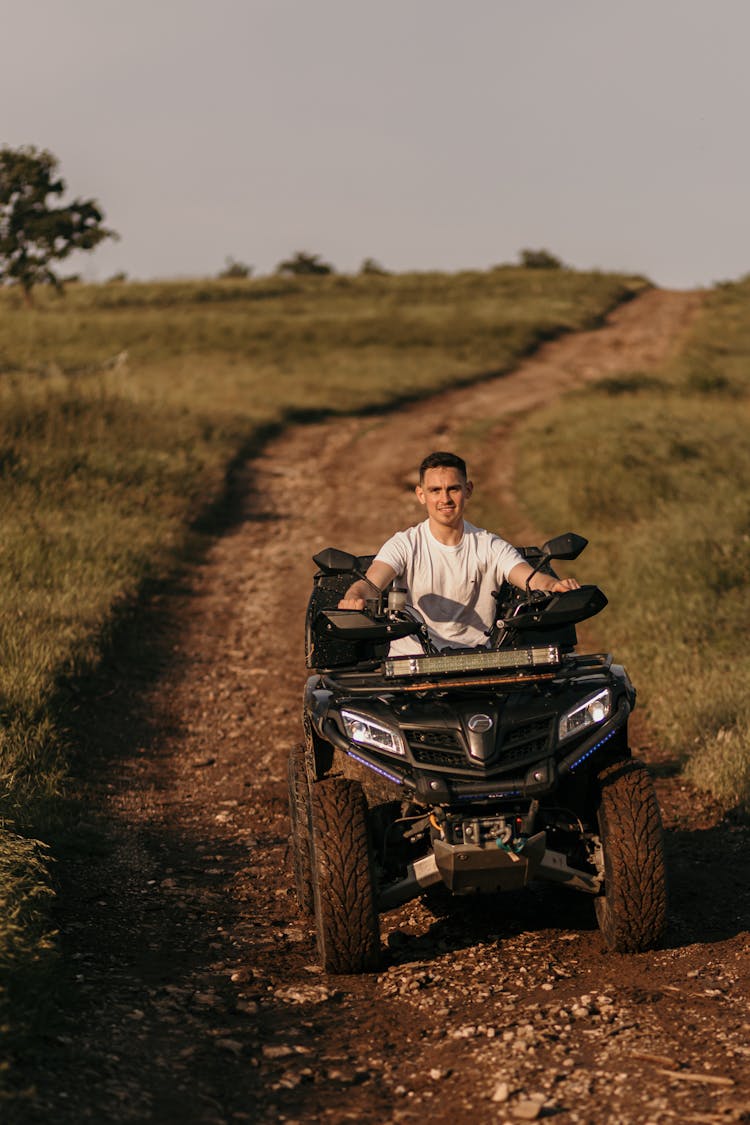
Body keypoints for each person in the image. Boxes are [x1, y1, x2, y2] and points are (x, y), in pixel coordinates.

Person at [339, 451, 580, 656]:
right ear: (421, 495)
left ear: (468, 490)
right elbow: (371, 583)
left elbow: (529, 577)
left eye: (452, 489)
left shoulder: (489, 545)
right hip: (411, 665)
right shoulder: (404, 544)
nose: (444, 499)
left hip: (477, 660)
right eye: (435, 490)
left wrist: (554, 584)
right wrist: (354, 596)